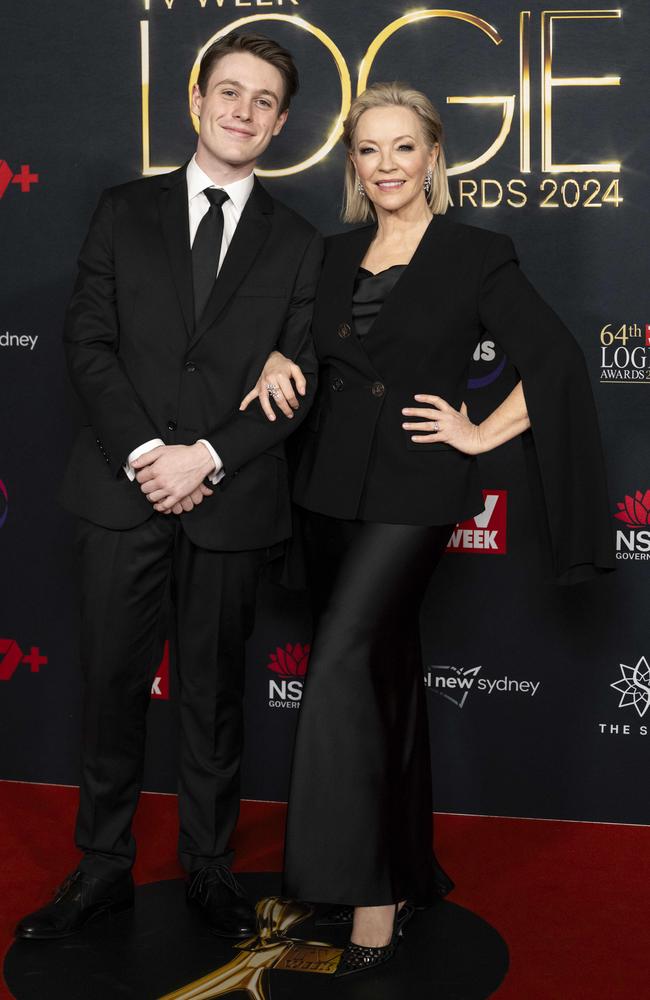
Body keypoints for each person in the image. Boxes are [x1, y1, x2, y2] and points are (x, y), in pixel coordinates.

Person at [240, 82, 615, 975]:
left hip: (414, 494)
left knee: (338, 666)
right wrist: (274, 357)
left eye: (402, 148)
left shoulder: (476, 254)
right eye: (368, 151)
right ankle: (405, 872)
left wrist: (481, 432)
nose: (385, 168)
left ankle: (364, 893)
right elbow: (294, 343)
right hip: (325, 493)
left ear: (434, 156)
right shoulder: (328, 258)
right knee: (387, 679)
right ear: (353, 166)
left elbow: (557, 361)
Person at [16, 33, 323, 941]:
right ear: (196, 102)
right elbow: (88, 342)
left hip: (230, 503)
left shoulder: (300, 243)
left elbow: (296, 380)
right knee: (110, 683)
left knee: (215, 694)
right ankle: (103, 865)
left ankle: (209, 867)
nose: (243, 110)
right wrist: (155, 453)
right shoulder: (121, 210)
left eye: (264, 100)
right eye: (229, 92)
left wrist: (210, 458)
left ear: (279, 123)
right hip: (122, 490)